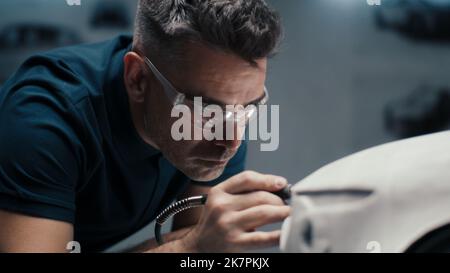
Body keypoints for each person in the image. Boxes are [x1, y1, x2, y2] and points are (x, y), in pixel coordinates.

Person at [0, 0, 290, 252]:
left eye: (250, 107)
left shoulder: (225, 117)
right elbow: (195, 246)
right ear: (137, 78)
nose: (232, 141)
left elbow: (204, 248)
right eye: (207, 111)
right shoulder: (44, 118)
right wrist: (191, 248)